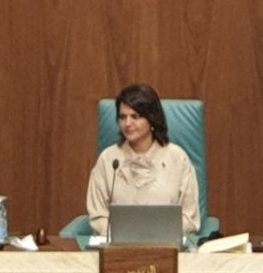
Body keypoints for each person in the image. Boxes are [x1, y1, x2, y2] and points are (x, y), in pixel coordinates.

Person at [86, 83, 200, 237]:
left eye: (135, 116)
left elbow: (189, 216)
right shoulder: (108, 159)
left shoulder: (178, 158)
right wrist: (125, 236)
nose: (127, 124)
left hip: (166, 244)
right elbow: (98, 216)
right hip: (118, 245)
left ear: (152, 119)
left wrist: (156, 235)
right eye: (122, 117)